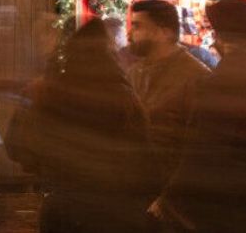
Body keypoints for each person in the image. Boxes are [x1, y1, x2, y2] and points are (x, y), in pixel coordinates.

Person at [16, 18, 153, 233]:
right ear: (109, 54)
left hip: (63, 205)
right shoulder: (123, 96)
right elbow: (144, 156)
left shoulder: (48, 92)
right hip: (113, 208)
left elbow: (19, 146)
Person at [154, 0, 246, 232]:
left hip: (233, 205)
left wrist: (170, 198)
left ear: (222, 36)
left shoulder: (223, 81)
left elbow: (206, 148)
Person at [127, 0, 209, 183]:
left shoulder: (195, 77)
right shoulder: (134, 73)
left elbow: (200, 149)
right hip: (135, 185)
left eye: (137, 26)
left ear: (164, 33)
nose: (129, 33)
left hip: (170, 191)